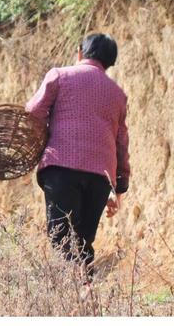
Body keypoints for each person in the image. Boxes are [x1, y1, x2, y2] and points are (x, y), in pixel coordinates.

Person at [25, 33, 130, 279]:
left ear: (80, 52)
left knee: (61, 238)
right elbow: (121, 141)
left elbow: (33, 111)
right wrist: (120, 184)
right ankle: (85, 295)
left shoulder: (60, 76)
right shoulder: (118, 95)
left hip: (62, 167)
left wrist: (47, 133)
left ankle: (71, 297)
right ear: (109, 62)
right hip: (100, 176)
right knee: (83, 240)